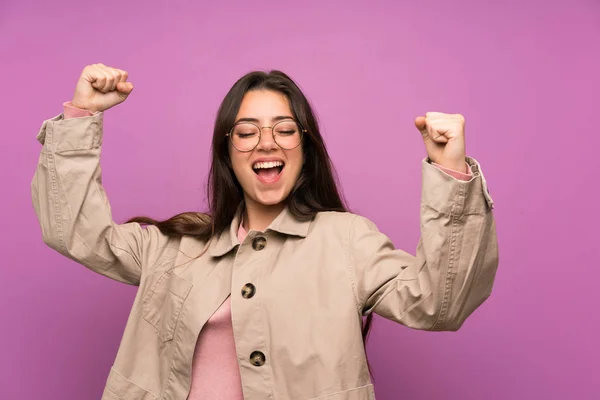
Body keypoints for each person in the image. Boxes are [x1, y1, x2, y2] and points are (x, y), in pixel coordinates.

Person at [31, 63, 498, 400]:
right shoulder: (174, 248)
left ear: (305, 147)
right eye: (247, 131)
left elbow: (441, 304)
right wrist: (82, 117)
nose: (267, 142)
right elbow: (73, 229)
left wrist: (450, 171)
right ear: (228, 151)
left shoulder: (347, 241)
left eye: (285, 129)